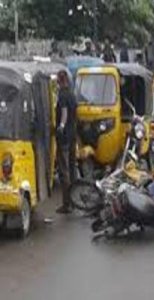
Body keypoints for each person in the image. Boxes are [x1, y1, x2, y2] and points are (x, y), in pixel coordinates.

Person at [55, 70, 77, 214]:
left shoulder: (62, 95)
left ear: (60, 81)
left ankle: (67, 203)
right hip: (73, 135)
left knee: (64, 171)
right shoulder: (72, 94)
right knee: (72, 167)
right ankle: (74, 201)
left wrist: (61, 126)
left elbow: (64, 113)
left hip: (64, 137)